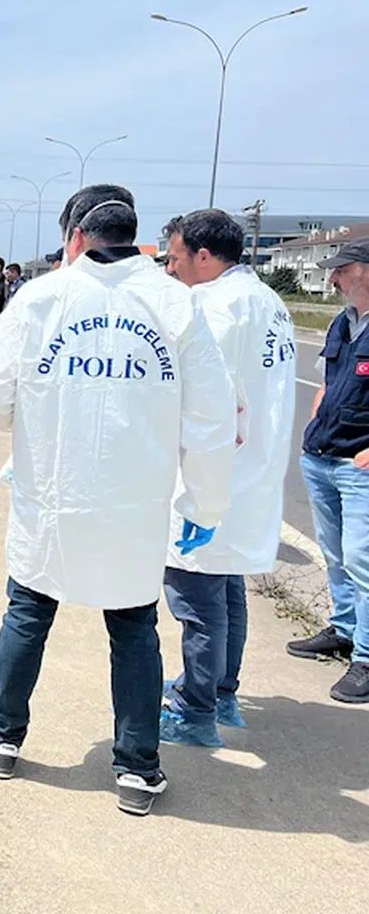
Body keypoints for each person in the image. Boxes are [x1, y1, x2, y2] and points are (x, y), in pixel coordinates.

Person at [0, 185, 236, 816]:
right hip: (133, 505)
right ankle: (138, 770)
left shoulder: (41, 297)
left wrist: (35, 417)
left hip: (54, 496)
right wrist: (205, 502)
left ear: (79, 238)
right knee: (135, 627)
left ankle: (4, 738)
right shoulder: (176, 304)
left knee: (29, 613)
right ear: (138, 239)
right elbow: (210, 416)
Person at [161, 210, 296, 744]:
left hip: (215, 472)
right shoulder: (268, 301)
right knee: (227, 588)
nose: (170, 269)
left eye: (174, 257)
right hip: (252, 473)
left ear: (203, 255)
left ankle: (195, 712)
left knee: (197, 596)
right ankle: (222, 694)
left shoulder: (215, 306)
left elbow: (203, 396)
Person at [287, 236, 369, 704]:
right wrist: (315, 425)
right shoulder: (343, 322)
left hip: (358, 464)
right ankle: (343, 629)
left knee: (363, 559)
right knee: (336, 554)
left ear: (365, 271)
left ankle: (367, 657)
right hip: (321, 457)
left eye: (341, 270)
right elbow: (327, 383)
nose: (333, 279)